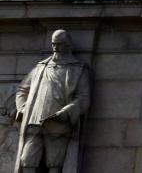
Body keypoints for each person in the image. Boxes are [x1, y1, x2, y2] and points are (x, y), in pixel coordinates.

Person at [14, 30, 91, 173]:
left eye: (59, 44)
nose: (55, 47)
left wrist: (66, 112)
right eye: (53, 44)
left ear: (68, 45)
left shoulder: (78, 69)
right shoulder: (40, 67)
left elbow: (83, 98)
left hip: (58, 123)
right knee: (27, 161)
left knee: (55, 163)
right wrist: (23, 107)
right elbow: (22, 90)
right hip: (34, 121)